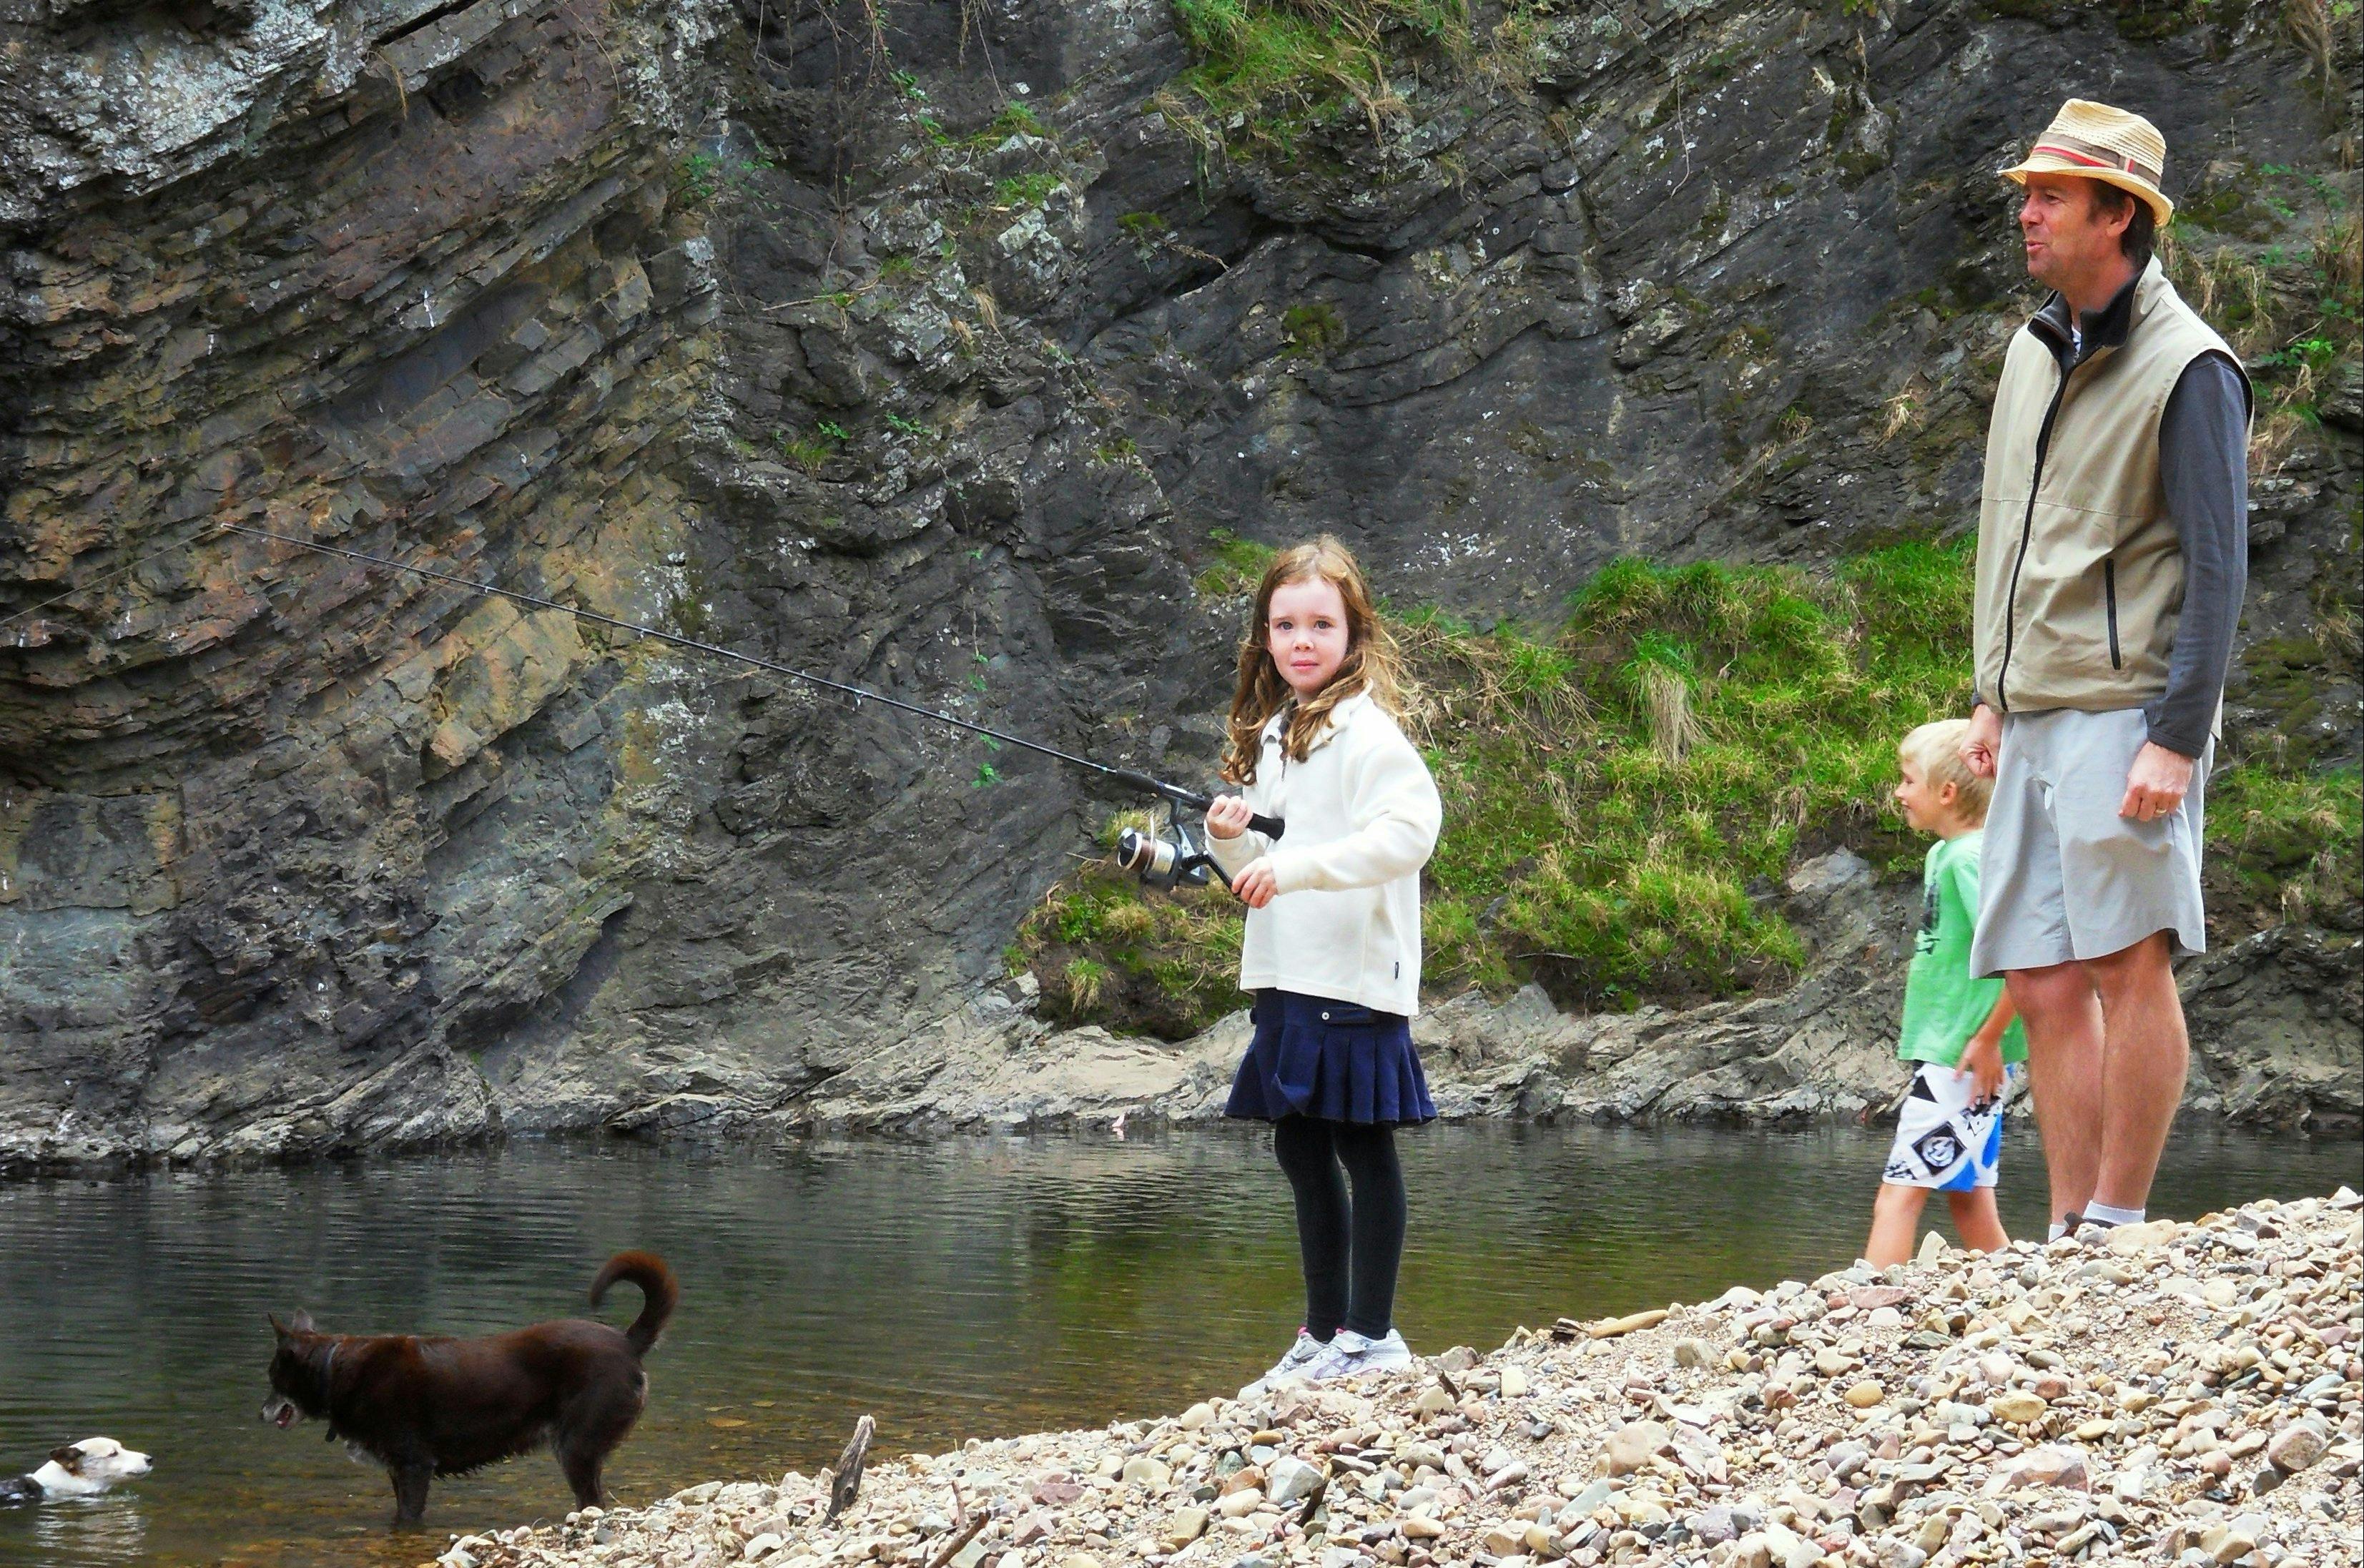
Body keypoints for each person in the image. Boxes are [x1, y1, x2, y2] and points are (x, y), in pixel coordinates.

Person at [1961, 100, 2251, 1238]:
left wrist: (2175, 736)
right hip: (2033, 705)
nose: (2025, 214)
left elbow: (2217, 571)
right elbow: (2008, 529)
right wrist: (1990, 690)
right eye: (2027, 193)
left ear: (2116, 216)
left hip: (2128, 712)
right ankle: (2070, 1225)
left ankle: (2119, 1221)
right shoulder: (2032, 349)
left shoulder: (2191, 370)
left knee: (2127, 961)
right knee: (2037, 975)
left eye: (2048, 197)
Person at [1203, 536, 1443, 1394]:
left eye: (1320, 624)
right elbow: (1253, 875)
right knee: (1302, 1152)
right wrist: (1225, 839)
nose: (1301, 641)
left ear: (1354, 633)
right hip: (1285, 975)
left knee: (1362, 1148)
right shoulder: (1274, 735)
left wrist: (1295, 866)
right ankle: (1324, 1333)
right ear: (1264, 638)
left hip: (1353, 976)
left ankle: (1374, 1338)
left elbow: (1410, 834)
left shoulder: (1369, 735)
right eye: (1284, 625)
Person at [1865, 720, 2029, 1268]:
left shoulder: (1969, 859)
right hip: (1956, 1053)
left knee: (1898, 1196)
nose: (1899, 792)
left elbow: (2019, 953)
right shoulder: (1943, 855)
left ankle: (1865, 1309)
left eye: (1908, 780)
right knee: (1968, 1198)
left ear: (1947, 792)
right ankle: (2021, 1291)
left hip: (1959, 1059)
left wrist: (1988, 1040)